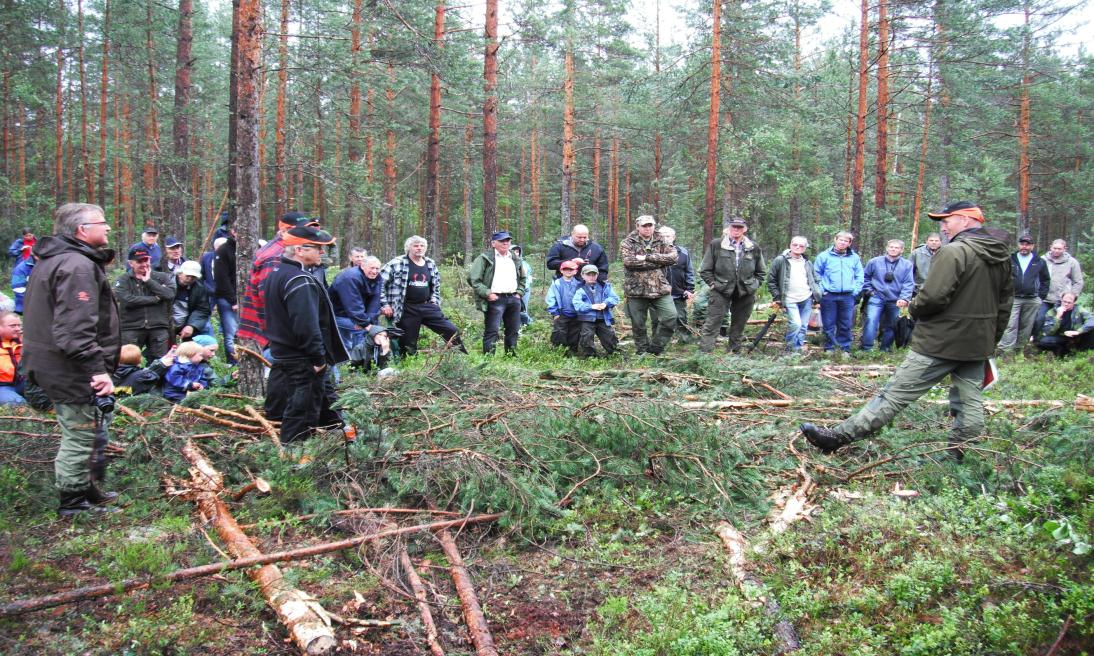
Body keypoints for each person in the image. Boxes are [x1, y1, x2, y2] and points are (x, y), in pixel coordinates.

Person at [800, 201, 1013, 459]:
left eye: (947, 221)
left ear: (965, 220)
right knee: (970, 405)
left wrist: (912, 310)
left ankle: (838, 437)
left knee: (893, 396)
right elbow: (1005, 304)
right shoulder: (1000, 256)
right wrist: (990, 340)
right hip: (977, 344)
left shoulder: (954, 252)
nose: (943, 228)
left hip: (940, 342)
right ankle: (958, 455)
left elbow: (933, 297)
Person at [23, 203, 122, 516]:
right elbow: (74, 332)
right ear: (82, 230)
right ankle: (73, 504)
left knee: (94, 426)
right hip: (70, 367)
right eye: (102, 223)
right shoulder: (75, 266)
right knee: (81, 432)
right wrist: (98, 371)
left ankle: (87, 487)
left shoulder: (60, 259)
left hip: (60, 362)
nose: (107, 228)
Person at [262, 226, 350, 443]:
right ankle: (296, 456)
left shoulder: (277, 274)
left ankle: (343, 435)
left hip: (286, 353)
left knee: (321, 399)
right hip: (302, 357)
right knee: (301, 410)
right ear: (300, 249)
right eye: (318, 248)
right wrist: (318, 359)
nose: (322, 253)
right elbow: (306, 325)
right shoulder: (299, 280)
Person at [237, 211, 321, 349]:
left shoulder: (285, 251)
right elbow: (268, 299)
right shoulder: (274, 256)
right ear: (284, 231)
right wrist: (278, 336)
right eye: (301, 229)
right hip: (275, 336)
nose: (305, 233)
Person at [380, 235, 465, 356]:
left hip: (427, 306)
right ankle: (408, 369)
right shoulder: (396, 263)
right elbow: (379, 283)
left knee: (451, 330)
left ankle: (459, 358)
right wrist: (384, 304)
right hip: (406, 308)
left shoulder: (430, 263)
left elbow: (436, 286)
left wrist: (435, 301)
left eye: (422, 246)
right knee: (408, 344)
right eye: (415, 246)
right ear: (408, 248)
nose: (419, 248)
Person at [698, 217, 765, 353]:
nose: (736, 229)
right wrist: (713, 284)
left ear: (745, 229)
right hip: (720, 290)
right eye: (733, 227)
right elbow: (705, 270)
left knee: (739, 324)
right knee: (713, 323)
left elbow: (761, 272)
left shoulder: (753, 247)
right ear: (729, 228)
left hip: (745, 292)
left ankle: (734, 353)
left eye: (739, 227)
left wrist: (753, 286)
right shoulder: (716, 245)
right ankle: (704, 355)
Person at [114, 244, 176, 362]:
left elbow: (169, 295)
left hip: (158, 326)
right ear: (131, 263)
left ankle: (156, 381)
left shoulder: (162, 277)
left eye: (146, 260)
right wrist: (156, 299)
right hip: (131, 327)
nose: (144, 264)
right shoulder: (123, 280)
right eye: (139, 261)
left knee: (161, 362)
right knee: (127, 363)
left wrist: (149, 281)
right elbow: (127, 300)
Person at [468, 231, 527, 356]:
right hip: (495, 299)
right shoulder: (484, 258)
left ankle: (511, 356)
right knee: (492, 330)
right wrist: (487, 293)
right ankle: (488, 359)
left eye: (508, 240)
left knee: (513, 330)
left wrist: (519, 293)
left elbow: (523, 278)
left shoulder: (515, 258)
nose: (505, 243)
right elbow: (474, 279)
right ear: (493, 243)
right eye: (501, 241)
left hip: (513, 299)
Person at [330, 255, 392, 370]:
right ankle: (358, 365)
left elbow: (374, 302)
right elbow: (353, 305)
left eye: (377, 268)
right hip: (336, 314)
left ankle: (348, 363)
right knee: (361, 331)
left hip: (352, 314)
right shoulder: (349, 278)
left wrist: (371, 323)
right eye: (371, 268)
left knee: (348, 339)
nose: (374, 271)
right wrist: (366, 325)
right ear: (362, 266)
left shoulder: (377, 278)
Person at [767, 236, 822, 353]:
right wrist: (777, 297)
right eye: (795, 245)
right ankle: (789, 348)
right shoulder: (780, 260)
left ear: (805, 248)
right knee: (796, 324)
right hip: (789, 298)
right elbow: (771, 280)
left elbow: (814, 279)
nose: (798, 247)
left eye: (801, 246)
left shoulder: (807, 262)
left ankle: (797, 349)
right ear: (790, 245)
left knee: (803, 326)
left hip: (806, 298)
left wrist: (817, 295)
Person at [997, 233, 1051, 353]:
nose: (1024, 247)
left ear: (1032, 246)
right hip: (1013, 298)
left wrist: (1040, 297)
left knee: (1026, 326)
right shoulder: (1010, 259)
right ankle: (1005, 351)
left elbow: (1045, 280)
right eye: (1022, 244)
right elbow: (1001, 277)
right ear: (1018, 245)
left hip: (1032, 299)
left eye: (1027, 244)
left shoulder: (1039, 261)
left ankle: (1019, 349)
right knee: (1010, 325)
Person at [813, 231, 864, 353]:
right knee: (829, 323)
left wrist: (855, 290)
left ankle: (844, 348)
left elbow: (860, 276)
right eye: (840, 240)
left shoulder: (854, 257)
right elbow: (816, 274)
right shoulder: (824, 256)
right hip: (829, 295)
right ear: (835, 240)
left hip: (848, 296)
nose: (842, 242)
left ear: (849, 243)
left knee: (845, 324)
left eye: (846, 241)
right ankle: (829, 348)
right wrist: (822, 290)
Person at [860, 239, 914, 352]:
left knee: (892, 325)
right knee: (871, 321)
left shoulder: (907, 265)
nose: (893, 249)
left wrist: (904, 298)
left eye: (896, 247)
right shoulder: (874, 262)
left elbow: (908, 283)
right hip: (877, 297)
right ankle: (866, 348)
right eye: (891, 247)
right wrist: (870, 291)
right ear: (887, 248)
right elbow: (865, 277)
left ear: (902, 250)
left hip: (896, 299)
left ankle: (885, 349)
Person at [652, 226, 696, 344]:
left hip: (678, 292)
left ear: (674, 237)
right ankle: (658, 343)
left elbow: (689, 271)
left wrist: (689, 289)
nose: (665, 238)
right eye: (662, 236)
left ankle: (685, 342)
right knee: (657, 319)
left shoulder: (683, 252)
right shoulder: (652, 252)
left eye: (668, 236)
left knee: (680, 317)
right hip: (657, 293)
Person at [572, 264, 620, 357]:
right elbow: (577, 304)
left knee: (609, 337)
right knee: (587, 337)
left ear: (597, 275)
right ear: (582, 275)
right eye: (588, 274)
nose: (591, 277)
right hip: (587, 319)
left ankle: (614, 354)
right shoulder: (580, 288)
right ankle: (590, 357)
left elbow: (614, 298)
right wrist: (591, 306)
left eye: (593, 274)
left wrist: (606, 303)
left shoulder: (605, 286)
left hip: (603, 317)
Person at [1039, 239, 1084, 332]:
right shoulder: (1042, 259)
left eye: (1059, 249)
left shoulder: (1072, 262)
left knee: (1063, 321)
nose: (1056, 250)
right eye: (1055, 248)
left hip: (1063, 300)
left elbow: (1078, 281)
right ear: (1051, 247)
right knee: (1039, 318)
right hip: (1045, 298)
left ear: (1064, 249)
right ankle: (1037, 339)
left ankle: (1063, 340)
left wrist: (1072, 297)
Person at [213, 229, 239, 364]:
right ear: (232, 231)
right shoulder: (223, 250)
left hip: (246, 298)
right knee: (230, 333)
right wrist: (233, 300)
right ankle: (232, 363)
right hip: (228, 299)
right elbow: (221, 278)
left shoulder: (251, 247)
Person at [545, 259, 582, 354]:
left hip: (576, 314)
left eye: (571, 269)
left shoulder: (579, 284)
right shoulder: (556, 283)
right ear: (561, 270)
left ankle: (573, 352)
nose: (568, 271)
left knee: (574, 333)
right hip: (561, 313)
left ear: (576, 271)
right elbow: (551, 298)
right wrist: (554, 312)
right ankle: (559, 352)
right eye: (566, 269)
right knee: (559, 332)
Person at [171, 260, 211, 342]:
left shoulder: (200, 289)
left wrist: (192, 325)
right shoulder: (167, 283)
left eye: (193, 277)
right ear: (180, 273)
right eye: (187, 275)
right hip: (164, 324)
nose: (189, 279)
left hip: (186, 323)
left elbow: (202, 310)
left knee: (207, 331)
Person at [0, 312, 25, 405]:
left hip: (22, 382)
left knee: (47, 393)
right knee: (18, 404)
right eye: (13, 326)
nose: (18, 329)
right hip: (2, 387)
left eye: (19, 325)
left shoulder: (24, 340)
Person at [511, 244, 535, 326]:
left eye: (517, 251)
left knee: (523, 310)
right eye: (513, 251)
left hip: (524, 290)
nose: (515, 253)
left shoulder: (524, 264)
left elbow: (527, 278)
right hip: (511, 291)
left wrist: (522, 289)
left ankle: (528, 325)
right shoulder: (505, 263)